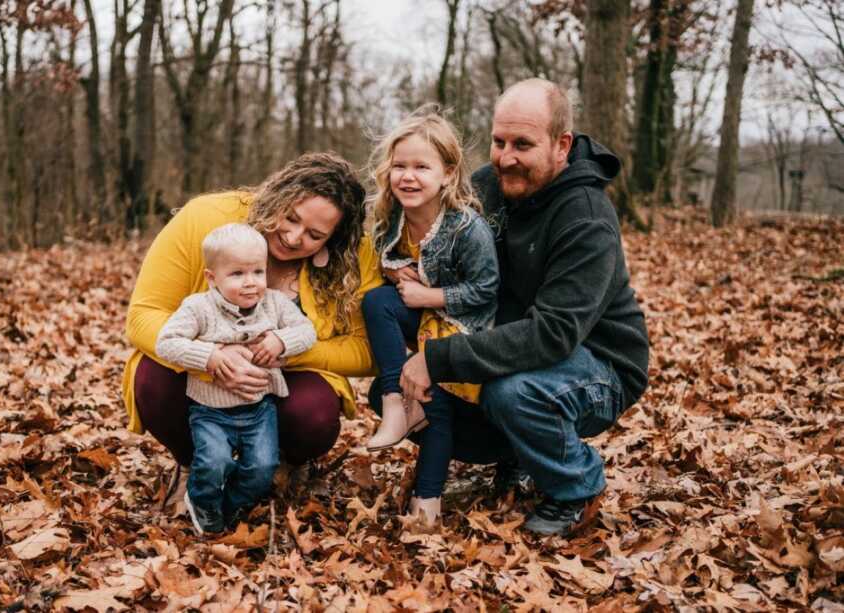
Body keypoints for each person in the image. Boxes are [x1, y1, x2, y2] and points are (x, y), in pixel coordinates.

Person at [398, 78, 650, 536]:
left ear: (561, 145)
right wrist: (410, 271)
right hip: (507, 345)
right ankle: (521, 454)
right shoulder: (486, 186)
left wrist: (438, 359)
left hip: (599, 365)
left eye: (522, 145)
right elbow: (442, 240)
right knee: (401, 383)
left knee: (512, 393)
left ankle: (577, 486)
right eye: (498, 142)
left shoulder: (587, 220)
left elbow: (552, 334)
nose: (506, 157)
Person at [122, 153, 383, 513]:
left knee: (315, 414)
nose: (292, 238)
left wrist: (289, 351)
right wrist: (212, 358)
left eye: (314, 235)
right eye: (290, 218)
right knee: (153, 379)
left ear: (334, 239)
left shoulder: (354, 257)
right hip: (202, 377)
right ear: (277, 196)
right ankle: (192, 463)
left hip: (281, 381)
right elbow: (142, 315)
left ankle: (277, 464)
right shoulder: (206, 218)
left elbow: (368, 349)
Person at [361, 111, 499, 525]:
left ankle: (427, 506)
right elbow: (392, 259)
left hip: (465, 329)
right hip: (422, 318)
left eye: (422, 167)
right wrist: (394, 270)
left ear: (448, 174)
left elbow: (487, 289)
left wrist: (429, 294)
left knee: (434, 400)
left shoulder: (467, 228)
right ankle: (394, 402)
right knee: (377, 301)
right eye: (400, 166)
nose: (408, 176)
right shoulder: (391, 219)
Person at [155, 223, 317, 534]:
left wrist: (281, 341)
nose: (250, 283)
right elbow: (167, 342)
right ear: (211, 278)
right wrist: (210, 356)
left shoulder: (274, 304)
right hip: (210, 410)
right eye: (237, 274)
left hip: (260, 409)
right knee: (214, 462)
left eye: (258, 272)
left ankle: (226, 507)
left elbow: (307, 331)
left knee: (262, 468)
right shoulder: (199, 307)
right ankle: (202, 500)